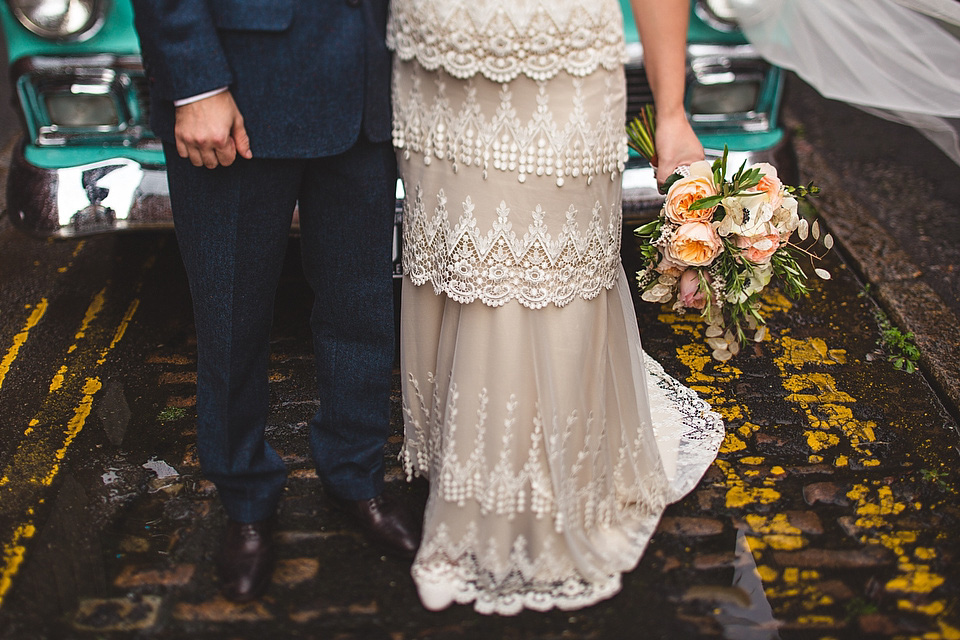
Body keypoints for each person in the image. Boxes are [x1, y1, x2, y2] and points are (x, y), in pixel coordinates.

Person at [389, 0, 726, 614]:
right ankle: (468, 486)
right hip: (434, 73)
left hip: (560, 72)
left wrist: (671, 113)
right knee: (460, 265)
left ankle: (541, 499)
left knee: (544, 265)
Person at [131, 0, 419, 603]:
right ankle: (246, 500)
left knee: (361, 309)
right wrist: (196, 82)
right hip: (237, 86)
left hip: (369, 84)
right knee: (231, 316)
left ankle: (355, 480)